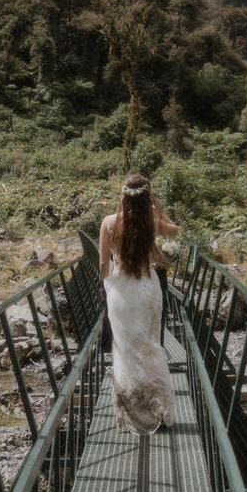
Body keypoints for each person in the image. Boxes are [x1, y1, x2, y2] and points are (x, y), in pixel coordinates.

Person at [96, 173, 179, 435]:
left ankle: (130, 413)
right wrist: (158, 208)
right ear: (147, 197)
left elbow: (102, 267)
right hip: (147, 289)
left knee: (125, 350)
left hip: (122, 293)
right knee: (150, 345)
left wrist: (112, 284)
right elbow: (175, 230)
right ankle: (159, 408)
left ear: (123, 195)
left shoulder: (108, 223)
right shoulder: (151, 220)